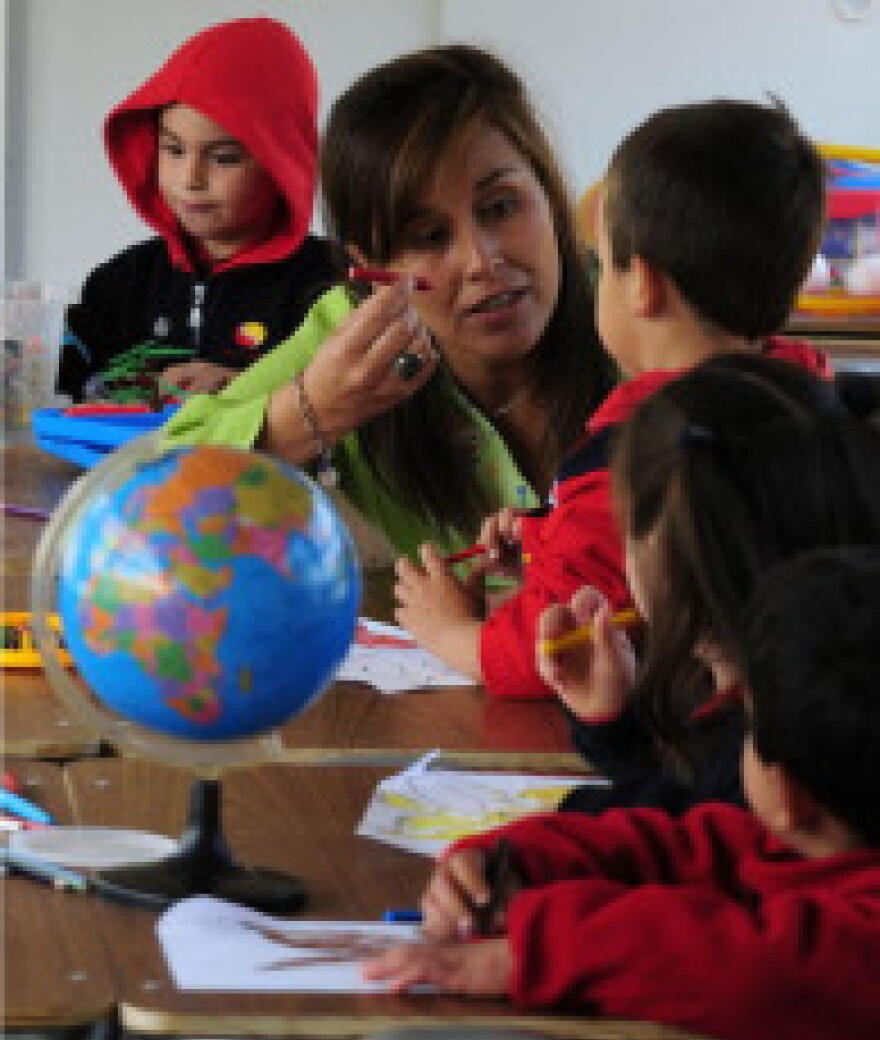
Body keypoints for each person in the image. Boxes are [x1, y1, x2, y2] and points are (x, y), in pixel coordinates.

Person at [363, 542, 880, 1040]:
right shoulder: (790, 844)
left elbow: (738, 963)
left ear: (787, 793)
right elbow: (680, 844)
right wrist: (508, 862)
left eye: (748, 722)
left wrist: (533, 949)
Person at [393, 97, 830, 696]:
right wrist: (548, 545)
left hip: (698, 751)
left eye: (604, 264)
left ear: (642, 285)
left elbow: (554, 648)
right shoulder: (810, 403)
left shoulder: (641, 456)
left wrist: (449, 631)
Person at [162, 45, 613, 562]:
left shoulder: (638, 304)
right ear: (371, 269)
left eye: (501, 207)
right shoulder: (353, 339)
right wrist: (314, 411)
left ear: (550, 197)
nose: (480, 262)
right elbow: (162, 486)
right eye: (428, 236)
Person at [541, 354, 880, 816]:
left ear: (667, 562)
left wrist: (533, 847)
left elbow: (688, 832)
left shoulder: (769, 760)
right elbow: (679, 790)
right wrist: (612, 718)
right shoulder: (815, 693)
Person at [58, 17, 334, 401]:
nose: (190, 178)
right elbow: (56, 380)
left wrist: (243, 389)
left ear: (281, 161)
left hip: (266, 463)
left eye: (223, 158)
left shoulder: (328, 286)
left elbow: (356, 411)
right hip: (131, 463)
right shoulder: (121, 282)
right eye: (173, 149)